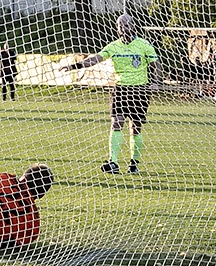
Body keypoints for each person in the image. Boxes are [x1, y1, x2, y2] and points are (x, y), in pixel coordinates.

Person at [61, 13, 159, 175]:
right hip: (120, 90)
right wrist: (74, 66)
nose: (124, 27)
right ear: (117, 28)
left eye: (127, 24)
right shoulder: (113, 46)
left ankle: (133, 163)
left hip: (139, 90)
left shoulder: (143, 45)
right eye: (121, 25)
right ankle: (113, 162)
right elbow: (94, 60)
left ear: (133, 25)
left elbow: (156, 64)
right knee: (116, 123)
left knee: (135, 128)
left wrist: (155, 82)